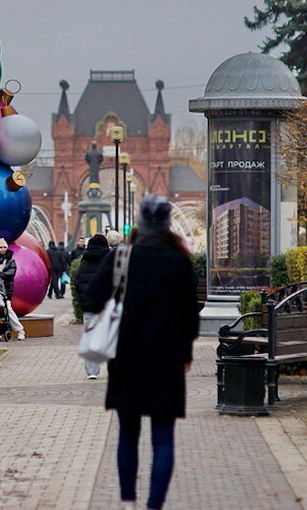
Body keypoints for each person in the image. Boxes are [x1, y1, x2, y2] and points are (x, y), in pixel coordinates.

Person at [82, 195, 200, 510]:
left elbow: (92, 299)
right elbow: (191, 314)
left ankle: (127, 503)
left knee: (128, 434)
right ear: (166, 223)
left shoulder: (121, 257)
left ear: (141, 222)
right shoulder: (179, 261)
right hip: (168, 359)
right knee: (163, 436)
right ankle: (154, 505)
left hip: (126, 357)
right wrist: (186, 350)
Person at [73, 233, 111, 379]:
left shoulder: (84, 261)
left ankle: (92, 371)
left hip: (89, 307)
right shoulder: (110, 260)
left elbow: (78, 282)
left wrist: (84, 300)